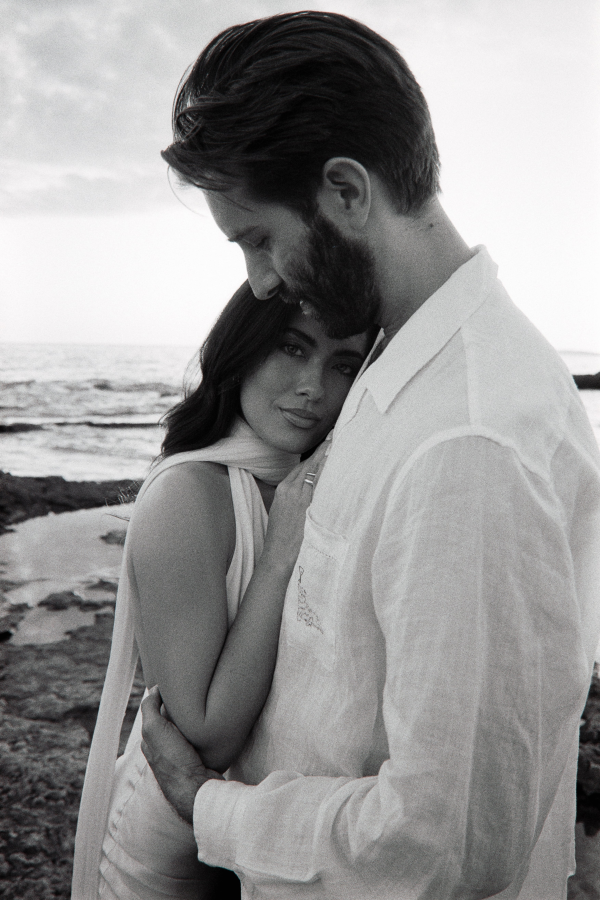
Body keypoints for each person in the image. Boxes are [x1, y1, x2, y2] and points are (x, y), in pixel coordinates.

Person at [140, 10, 600, 900]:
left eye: (260, 239)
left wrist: (207, 806)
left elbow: (441, 845)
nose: (260, 283)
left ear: (347, 191)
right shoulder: (402, 364)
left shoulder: (468, 443)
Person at [71, 280, 374, 900]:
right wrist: (281, 552)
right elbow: (206, 736)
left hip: (263, 832)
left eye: (343, 365)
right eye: (292, 348)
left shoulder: (314, 488)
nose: (314, 387)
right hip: (166, 847)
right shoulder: (188, 495)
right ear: (241, 350)